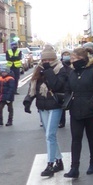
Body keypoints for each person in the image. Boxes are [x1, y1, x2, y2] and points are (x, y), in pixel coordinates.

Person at [25, 46, 68, 177]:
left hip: (55, 105)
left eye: (49, 58)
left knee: (50, 135)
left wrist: (49, 71)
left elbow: (57, 86)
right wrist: (28, 100)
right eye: (44, 59)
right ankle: (59, 160)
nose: (47, 61)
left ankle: (50, 164)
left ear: (54, 58)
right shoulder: (38, 69)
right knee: (50, 136)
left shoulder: (61, 69)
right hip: (42, 105)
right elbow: (33, 86)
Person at [64, 47, 93, 178]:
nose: (71, 61)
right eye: (71, 59)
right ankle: (74, 168)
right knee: (76, 139)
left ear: (82, 59)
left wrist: (91, 103)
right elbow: (67, 89)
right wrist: (67, 101)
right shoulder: (72, 73)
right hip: (76, 110)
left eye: (74, 59)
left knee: (92, 137)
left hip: (92, 110)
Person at [58, 50, 73, 129]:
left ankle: (73, 120)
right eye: (65, 54)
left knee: (72, 105)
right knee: (62, 105)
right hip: (63, 87)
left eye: (68, 54)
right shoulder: (60, 65)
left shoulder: (73, 63)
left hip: (72, 87)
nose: (66, 56)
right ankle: (61, 121)